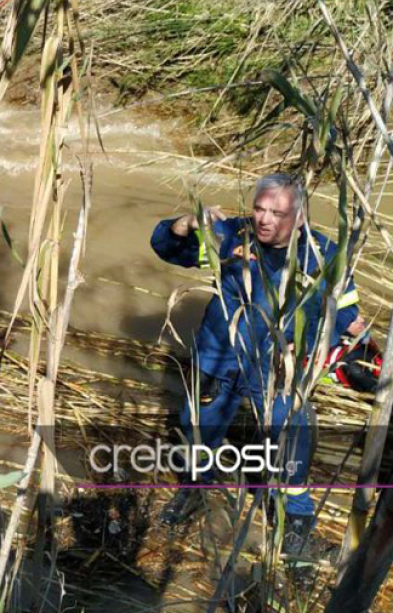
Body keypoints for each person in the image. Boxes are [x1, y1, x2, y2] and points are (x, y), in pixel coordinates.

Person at [150, 173, 359, 554]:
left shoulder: (325, 255)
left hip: (280, 369)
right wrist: (186, 222)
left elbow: (346, 314)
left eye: (276, 212)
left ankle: (296, 521)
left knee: (290, 441)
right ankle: (194, 490)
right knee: (198, 428)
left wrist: (341, 352)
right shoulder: (233, 236)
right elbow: (167, 246)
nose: (263, 219)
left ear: (299, 216)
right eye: (259, 208)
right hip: (220, 355)